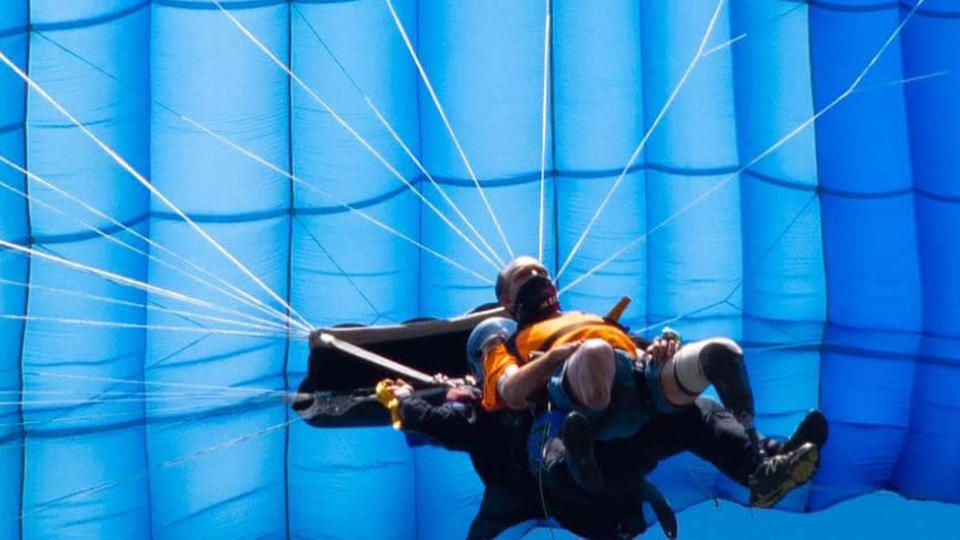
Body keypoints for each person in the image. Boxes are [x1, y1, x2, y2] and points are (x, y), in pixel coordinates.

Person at [478, 255, 824, 508]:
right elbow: (509, 391)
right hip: (583, 408)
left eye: (542, 271)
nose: (538, 277)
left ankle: (762, 465)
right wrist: (559, 355)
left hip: (640, 384)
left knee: (721, 353)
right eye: (525, 275)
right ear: (507, 301)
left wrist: (663, 348)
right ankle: (584, 463)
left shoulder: (588, 319)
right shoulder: (505, 345)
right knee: (597, 352)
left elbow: (643, 357)